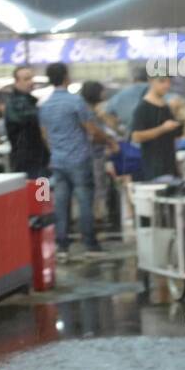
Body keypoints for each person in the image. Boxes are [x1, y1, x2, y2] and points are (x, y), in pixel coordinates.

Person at [38, 62, 111, 260]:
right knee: (85, 200)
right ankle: (90, 245)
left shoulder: (44, 106)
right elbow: (92, 129)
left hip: (58, 161)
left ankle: (62, 246)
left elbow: (45, 135)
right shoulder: (75, 102)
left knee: (60, 203)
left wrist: (56, 150)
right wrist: (107, 140)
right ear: (66, 77)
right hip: (79, 159)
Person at [79, 81, 121, 228]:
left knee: (95, 185)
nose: (104, 94)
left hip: (91, 153)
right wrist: (110, 142)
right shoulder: (89, 112)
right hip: (94, 153)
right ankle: (95, 217)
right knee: (97, 186)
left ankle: (94, 215)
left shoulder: (90, 109)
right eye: (101, 91)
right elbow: (97, 132)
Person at [129, 74, 182, 181]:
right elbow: (136, 136)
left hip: (170, 166)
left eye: (168, 82)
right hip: (155, 168)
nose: (166, 85)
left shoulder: (165, 106)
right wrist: (163, 129)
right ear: (151, 81)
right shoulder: (143, 108)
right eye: (162, 81)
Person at [5, 65, 50, 180]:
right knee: (39, 196)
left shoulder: (30, 101)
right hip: (27, 161)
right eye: (26, 79)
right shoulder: (16, 104)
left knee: (41, 195)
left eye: (31, 78)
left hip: (36, 159)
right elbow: (30, 119)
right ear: (16, 82)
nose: (31, 82)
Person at [103, 67, 148, 135]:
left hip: (132, 140)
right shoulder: (160, 92)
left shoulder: (120, 95)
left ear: (134, 80)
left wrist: (120, 132)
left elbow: (104, 114)